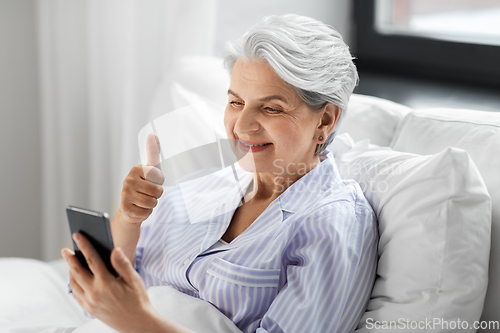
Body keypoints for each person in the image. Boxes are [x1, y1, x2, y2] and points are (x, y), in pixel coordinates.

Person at [62, 14, 378, 333]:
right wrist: (130, 218)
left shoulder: (333, 223)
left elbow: (127, 313)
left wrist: (138, 322)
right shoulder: (203, 188)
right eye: (236, 102)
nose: (241, 127)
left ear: (324, 120)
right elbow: (96, 297)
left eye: (271, 108)